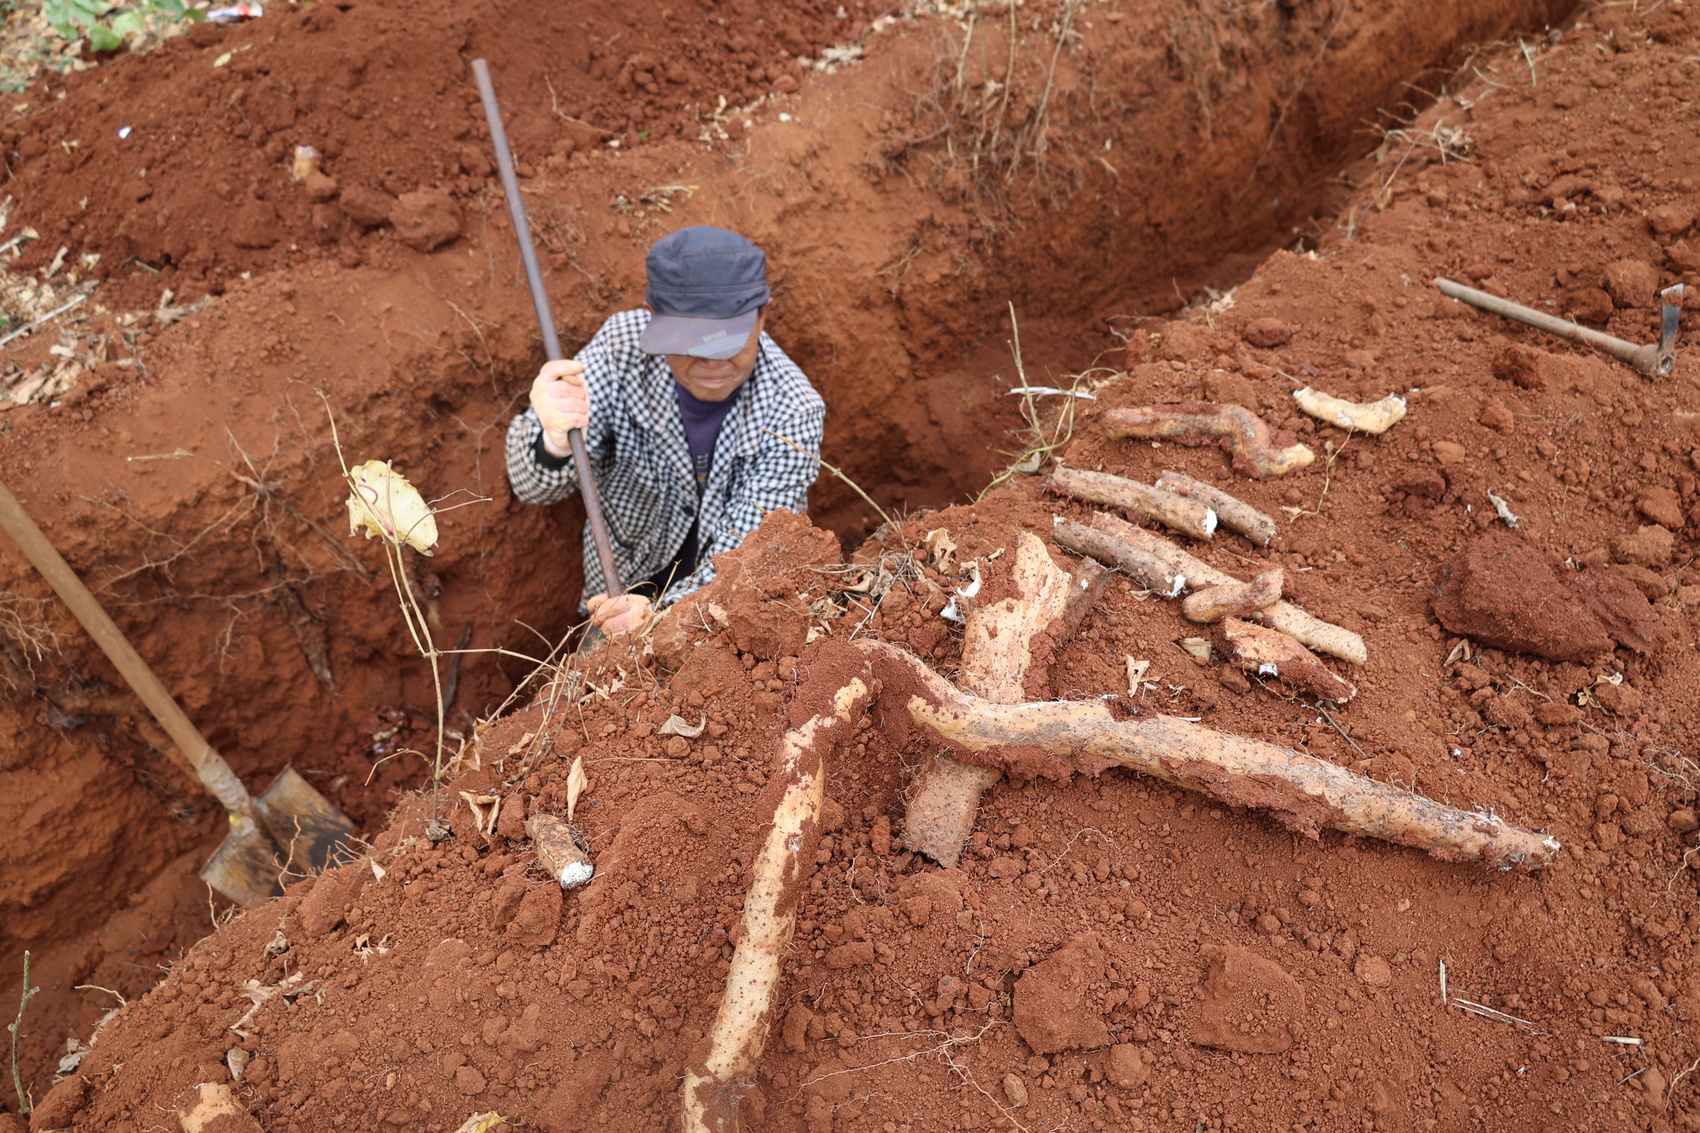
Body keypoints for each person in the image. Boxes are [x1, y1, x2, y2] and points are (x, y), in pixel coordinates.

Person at [504, 226, 825, 638]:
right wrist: (552, 441)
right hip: (617, 597)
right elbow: (533, 489)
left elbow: (749, 561)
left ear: (764, 316)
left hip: (724, 611)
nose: (712, 363)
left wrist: (663, 613)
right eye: (692, 343)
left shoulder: (793, 410)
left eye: (727, 342)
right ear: (652, 318)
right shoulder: (620, 351)